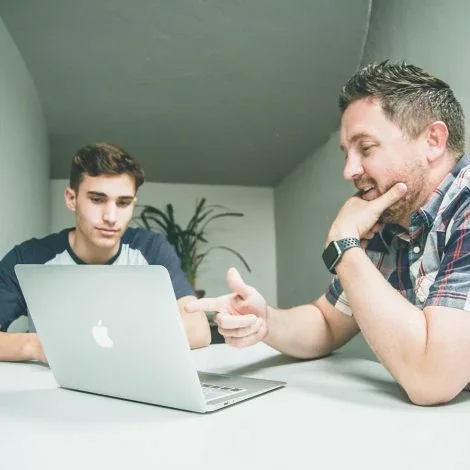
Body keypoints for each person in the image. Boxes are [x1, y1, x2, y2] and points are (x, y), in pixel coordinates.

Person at [186, 61, 470, 406]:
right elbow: (327, 322)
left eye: (366, 148)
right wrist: (265, 320)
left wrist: (345, 246)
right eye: (347, 154)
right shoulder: (390, 221)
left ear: (433, 140)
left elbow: (432, 380)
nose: (349, 171)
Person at [0, 142, 211, 362]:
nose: (110, 217)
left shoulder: (151, 249)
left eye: (123, 203)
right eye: (97, 200)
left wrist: (113, 341)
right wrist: (34, 345)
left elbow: (198, 329)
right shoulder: (28, 258)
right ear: (71, 199)